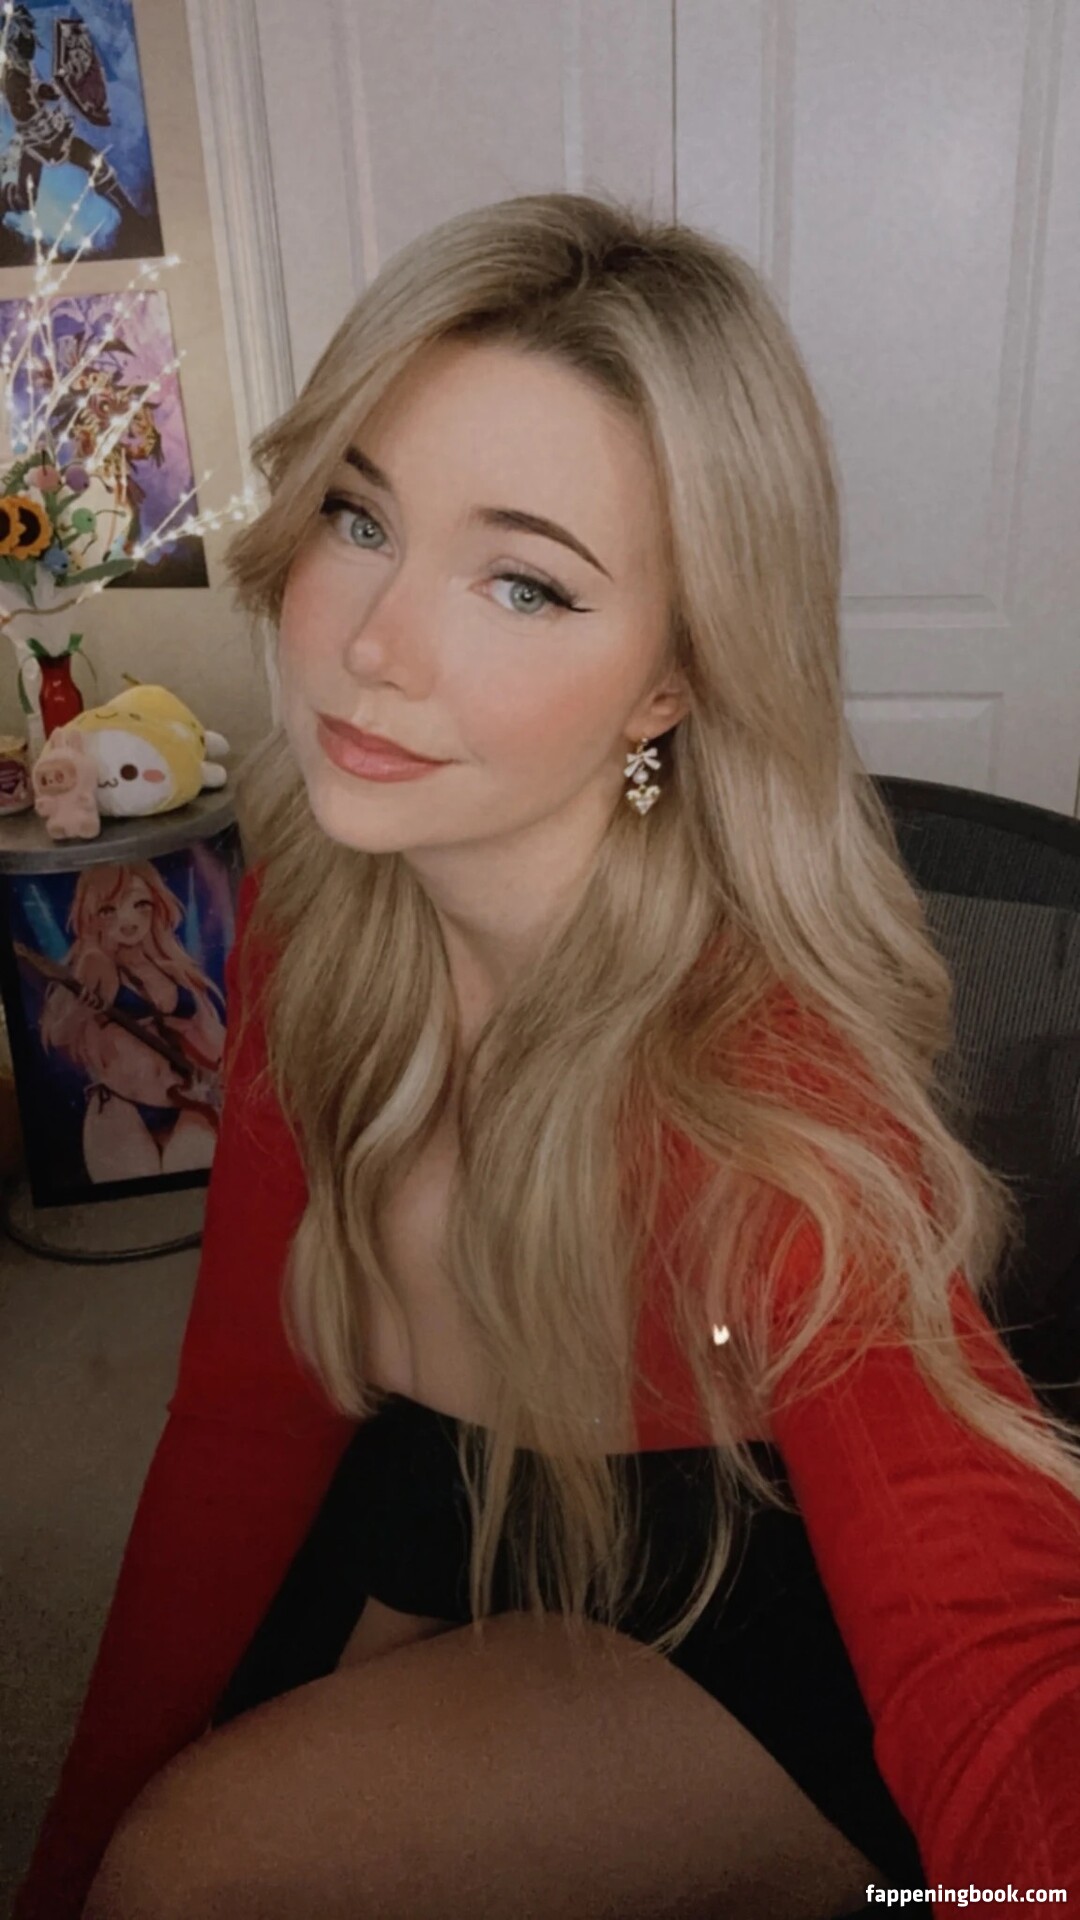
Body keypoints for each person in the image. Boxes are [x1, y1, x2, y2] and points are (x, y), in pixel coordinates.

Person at [16, 190, 1080, 1920]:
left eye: (525, 582)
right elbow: (247, 1409)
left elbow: (999, 1643)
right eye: (361, 515)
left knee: (195, 1874)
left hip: (737, 1573)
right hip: (441, 1479)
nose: (372, 644)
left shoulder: (753, 1073)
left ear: (672, 683)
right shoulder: (317, 912)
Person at [37, 861, 225, 1182]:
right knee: (133, 1201)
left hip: (188, 1101)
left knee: (198, 1195)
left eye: (140, 904)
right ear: (92, 914)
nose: (128, 920)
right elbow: (58, 1034)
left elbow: (212, 1034)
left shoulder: (172, 966)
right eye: (109, 910)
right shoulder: (95, 965)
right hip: (122, 1106)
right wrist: (83, 1009)